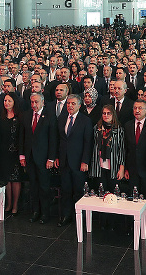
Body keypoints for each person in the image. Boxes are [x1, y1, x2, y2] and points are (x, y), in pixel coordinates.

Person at [20, 91, 57, 224]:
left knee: (44, 187)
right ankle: (35, 211)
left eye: (36, 102)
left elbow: (53, 139)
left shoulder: (50, 116)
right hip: (29, 157)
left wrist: (51, 159)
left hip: (44, 159)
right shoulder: (26, 115)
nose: (34, 105)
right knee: (33, 186)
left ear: (43, 102)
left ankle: (45, 213)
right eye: (32, 102)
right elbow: (22, 136)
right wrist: (22, 156)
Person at [57, 94, 93, 227]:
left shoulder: (85, 120)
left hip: (79, 162)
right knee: (65, 190)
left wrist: (85, 161)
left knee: (79, 190)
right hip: (64, 160)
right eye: (68, 104)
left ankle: (80, 217)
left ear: (79, 105)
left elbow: (88, 142)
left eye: (73, 104)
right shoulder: (61, 119)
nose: (70, 106)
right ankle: (66, 215)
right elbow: (59, 139)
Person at [0, 92, 22, 215]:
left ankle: (16, 205)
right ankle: (8, 203)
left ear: (14, 103)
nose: (6, 103)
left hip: (16, 153)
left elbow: (22, 137)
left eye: (9, 101)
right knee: (6, 179)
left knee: (15, 179)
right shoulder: (0, 117)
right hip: (3, 152)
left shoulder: (19, 117)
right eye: (5, 101)